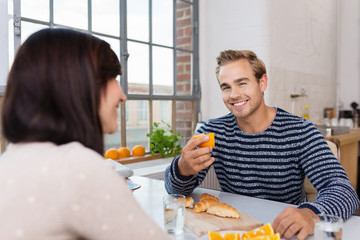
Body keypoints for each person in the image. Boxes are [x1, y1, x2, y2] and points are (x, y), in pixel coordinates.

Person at [164, 50, 359, 239]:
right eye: (226, 87)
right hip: (234, 229)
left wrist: (311, 214)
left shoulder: (300, 130)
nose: (233, 94)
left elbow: (343, 190)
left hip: (285, 231)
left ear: (262, 82)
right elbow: (174, 193)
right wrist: (182, 169)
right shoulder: (212, 131)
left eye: (242, 83)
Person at [0, 28, 170, 240]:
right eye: (113, 78)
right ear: (78, 86)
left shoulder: (9, 162)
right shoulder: (76, 167)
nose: (123, 95)